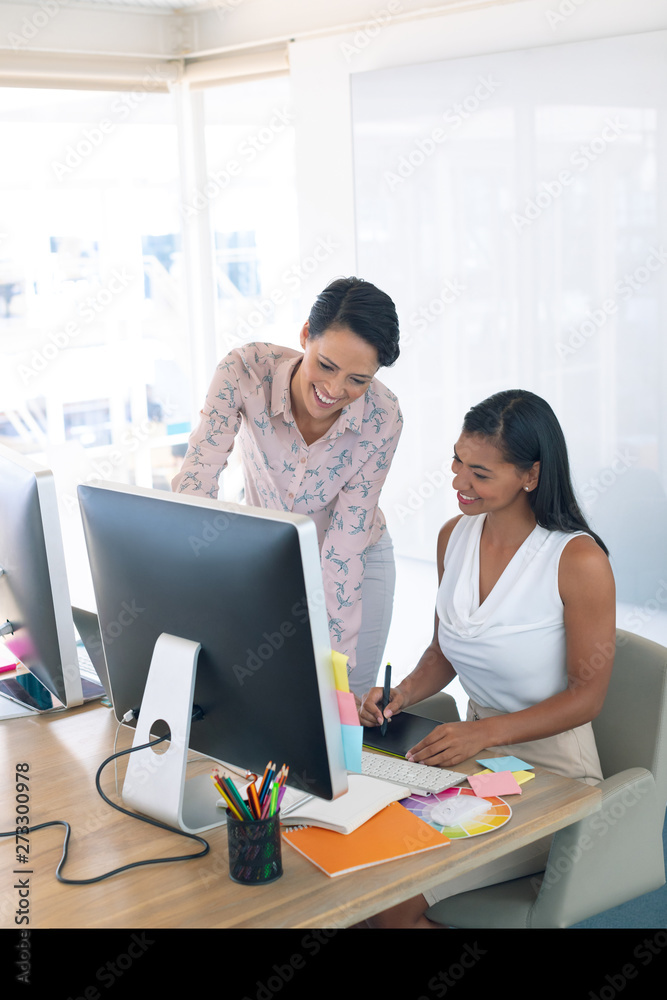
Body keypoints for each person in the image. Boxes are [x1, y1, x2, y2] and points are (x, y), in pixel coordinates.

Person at [359, 389, 616, 928]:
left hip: (555, 779)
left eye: (480, 473)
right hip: (475, 765)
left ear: (530, 475)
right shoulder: (453, 536)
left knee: (392, 905)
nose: (458, 482)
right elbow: (444, 650)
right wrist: (401, 693)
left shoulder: (578, 559)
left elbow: (587, 698)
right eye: (457, 461)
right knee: (359, 871)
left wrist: (484, 732)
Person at [172, 276, 402, 697]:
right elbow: (197, 482)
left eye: (358, 379)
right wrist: (194, 590)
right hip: (273, 556)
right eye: (327, 365)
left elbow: (344, 546)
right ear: (304, 336)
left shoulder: (382, 416)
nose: (334, 390)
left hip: (357, 561)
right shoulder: (243, 370)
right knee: (265, 693)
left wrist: (335, 679)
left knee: (342, 704)